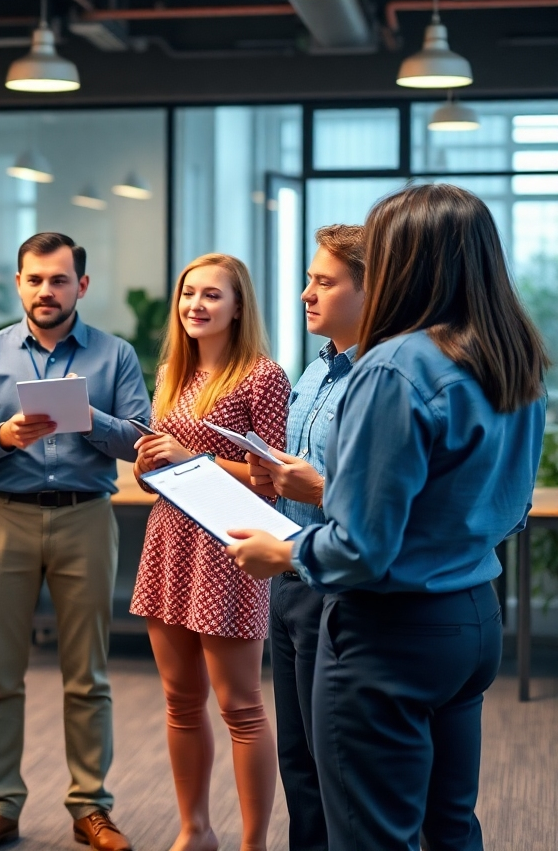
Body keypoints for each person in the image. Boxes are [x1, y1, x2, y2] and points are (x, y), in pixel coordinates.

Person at [226, 184, 548, 851]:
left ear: (406, 261)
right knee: (451, 828)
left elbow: (361, 550)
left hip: (390, 632)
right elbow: (506, 510)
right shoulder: (514, 357)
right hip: (473, 618)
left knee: (372, 836)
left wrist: (283, 554)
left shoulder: (394, 367)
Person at [0, 232, 150, 851]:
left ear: (81, 287)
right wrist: (4, 437)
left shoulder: (114, 355)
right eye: (35, 279)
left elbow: (143, 441)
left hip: (86, 515)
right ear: (19, 283)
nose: (46, 291)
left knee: (87, 674)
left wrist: (92, 420)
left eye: (59, 280)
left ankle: (91, 807)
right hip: (3, 515)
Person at [130, 253, 290, 851]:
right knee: (179, 701)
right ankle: (194, 829)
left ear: (239, 305)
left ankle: (253, 843)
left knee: (242, 707)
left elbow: (274, 478)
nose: (195, 305)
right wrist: (150, 466)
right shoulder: (174, 369)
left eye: (211, 295)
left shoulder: (262, 375)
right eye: (188, 293)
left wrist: (187, 461)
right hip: (170, 541)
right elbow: (161, 470)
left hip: (231, 547)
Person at [244, 226, 365, 851]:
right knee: (298, 761)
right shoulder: (315, 373)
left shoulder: (379, 381)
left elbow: (372, 496)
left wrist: (316, 486)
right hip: (287, 583)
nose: (305, 295)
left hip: (337, 584)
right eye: (309, 279)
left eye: (324, 282)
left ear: (370, 291)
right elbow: (297, 475)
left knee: (335, 766)